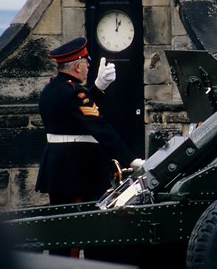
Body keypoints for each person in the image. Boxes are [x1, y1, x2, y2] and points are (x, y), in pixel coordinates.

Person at [35, 37, 143, 238]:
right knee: (76, 229)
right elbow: (99, 125)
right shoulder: (73, 92)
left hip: (61, 166)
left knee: (62, 228)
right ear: (77, 66)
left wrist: (98, 88)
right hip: (75, 170)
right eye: (86, 62)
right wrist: (129, 159)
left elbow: (77, 113)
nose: (88, 66)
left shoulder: (55, 88)